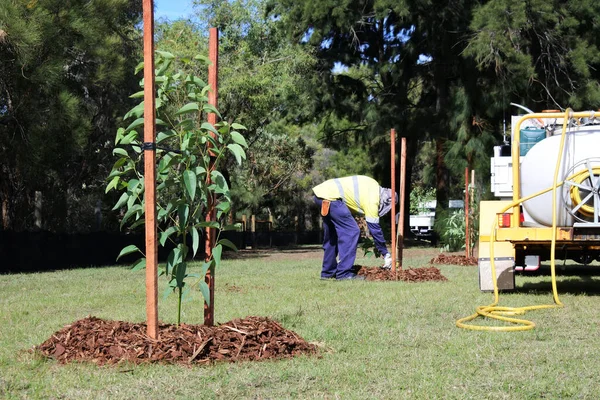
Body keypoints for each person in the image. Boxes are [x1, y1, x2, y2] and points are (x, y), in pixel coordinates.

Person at [312, 175, 396, 280]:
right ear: (385, 201)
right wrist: (386, 253)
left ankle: (327, 273)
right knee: (352, 231)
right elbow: (375, 229)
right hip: (332, 198)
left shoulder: (373, 184)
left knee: (332, 236)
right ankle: (344, 274)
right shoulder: (373, 200)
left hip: (320, 195)